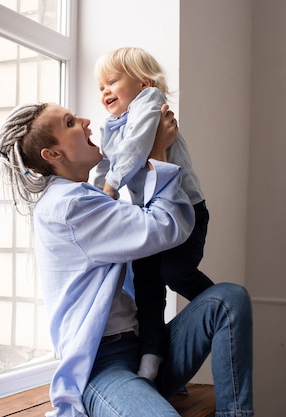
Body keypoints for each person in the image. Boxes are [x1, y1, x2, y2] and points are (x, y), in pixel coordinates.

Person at [0, 101, 253, 417]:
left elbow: (126, 211)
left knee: (227, 299)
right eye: (71, 122)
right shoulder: (69, 206)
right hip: (104, 367)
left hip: (145, 349)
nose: (87, 121)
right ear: (53, 154)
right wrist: (157, 153)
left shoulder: (83, 197)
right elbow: (166, 226)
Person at [94, 46, 214, 380]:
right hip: (150, 213)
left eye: (112, 81)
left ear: (144, 81)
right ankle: (151, 358)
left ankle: (218, 305)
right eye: (100, 86)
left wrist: (111, 186)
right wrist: (98, 189)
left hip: (186, 210)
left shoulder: (150, 102)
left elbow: (135, 148)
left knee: (175, 273)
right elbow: (106, 161)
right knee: (145, 288)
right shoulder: (113, 124)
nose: (104, 91)